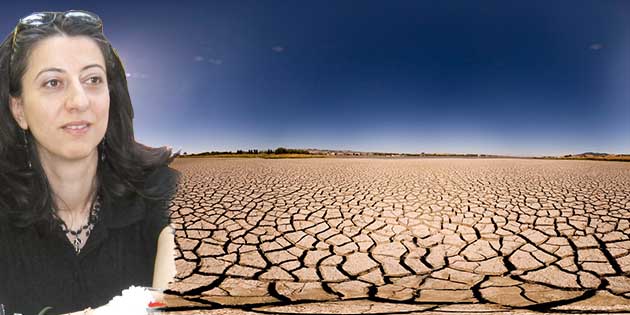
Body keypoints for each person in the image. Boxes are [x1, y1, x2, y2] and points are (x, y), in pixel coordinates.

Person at [0, 10, 181, 315]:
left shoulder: (163, 190)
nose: (80, 101)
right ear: (18, 109)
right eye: (53, 83)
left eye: (93, 79)